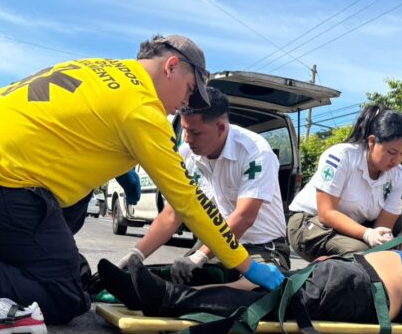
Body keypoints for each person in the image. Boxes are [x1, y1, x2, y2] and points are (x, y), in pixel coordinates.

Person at [0, 34, 285, 328]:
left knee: (73, 207)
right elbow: (187, 200)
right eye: (190, 91)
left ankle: (38, 265)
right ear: (172, 67)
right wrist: (245, 264)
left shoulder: (98, 67)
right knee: (64, 298)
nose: (185, 105)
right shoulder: (142, 108)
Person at [98, 238, 402, 330]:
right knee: (255, 286)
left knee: (270, 301)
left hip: (360, 290)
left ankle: (166, 299)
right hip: (352, 277)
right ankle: (144, 293)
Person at [124, 87, 290, 283]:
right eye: (185, 130)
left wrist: (200, 256)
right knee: (178, 279)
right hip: (217, 244)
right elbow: (173, 213)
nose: (187, 139)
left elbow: (244, 217)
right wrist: (137, 254)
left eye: (195, 132)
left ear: (220, 128)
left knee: (257, 290)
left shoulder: (255, 152)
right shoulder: (187, 155)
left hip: (261, 246)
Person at [287, 104, 402, 261]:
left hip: (355, 226)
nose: (397, 160)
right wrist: (366, 234)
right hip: (311, 223)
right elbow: (326, 213)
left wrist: (386, 242)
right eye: (392, 152)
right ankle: (327, 270)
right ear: (372, 141)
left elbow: (382, 227)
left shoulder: (398, 175)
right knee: (362, 255)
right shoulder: (341, 157)